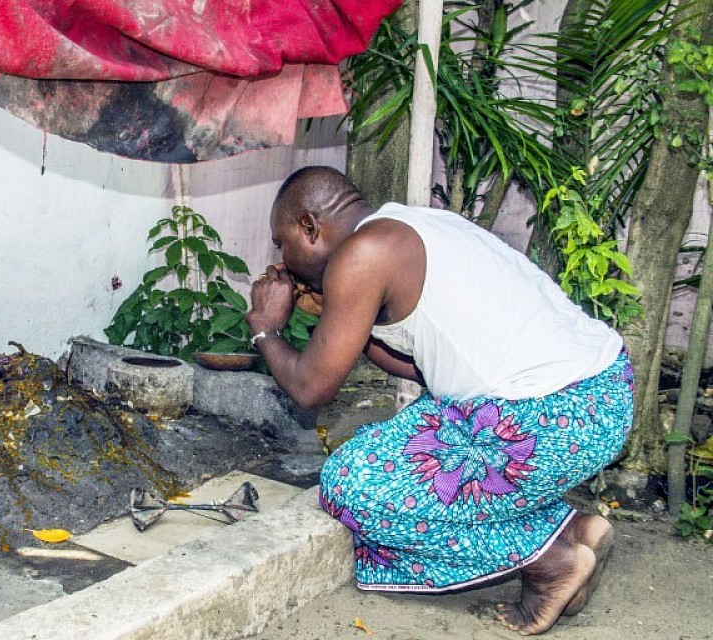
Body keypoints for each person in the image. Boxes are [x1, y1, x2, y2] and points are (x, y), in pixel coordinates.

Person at [246, 166, 633, 636]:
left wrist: (266, 328)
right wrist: (341, 313)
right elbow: (424, 367)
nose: (281, 259)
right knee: (405, 435)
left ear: (309, 227)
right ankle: (574, 531)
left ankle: (547, 561)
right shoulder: (412, 226)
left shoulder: (362, 255)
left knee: (352, 485)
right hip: (600, 394)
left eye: (281, 242)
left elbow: (310, 390)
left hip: (554, 415)